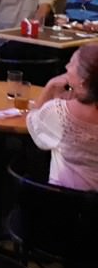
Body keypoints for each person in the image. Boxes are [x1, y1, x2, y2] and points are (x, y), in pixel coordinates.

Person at [26, 44, 98, 191]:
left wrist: (49, 88)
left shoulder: (60, 112)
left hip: (64, 199)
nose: (66, 67)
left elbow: (33, 125)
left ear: (83, 80)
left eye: (72, 64)